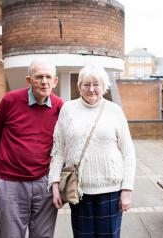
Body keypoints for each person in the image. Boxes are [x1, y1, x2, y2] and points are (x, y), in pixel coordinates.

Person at [48, 65, 136, 238]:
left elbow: (128, 153)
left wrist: (127, 190)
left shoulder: (114, 111)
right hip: (79, 192)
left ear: (104, 87)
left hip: (111, 192)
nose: (91, 89)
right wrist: (55, 185)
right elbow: (58, 151)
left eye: (96, 84)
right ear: (79, 86)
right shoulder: (68, 110)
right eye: (86, 84)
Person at [0, 60, 64, 238]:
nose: (44, 81)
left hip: (44, 183)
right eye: (39, 77)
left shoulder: (60, 106)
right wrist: (8, 161)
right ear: (29, 80)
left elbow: (63, 144)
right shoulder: (10, 100)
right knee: (10, 235)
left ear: (55, 81)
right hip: (11, 183)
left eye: (48, 77)